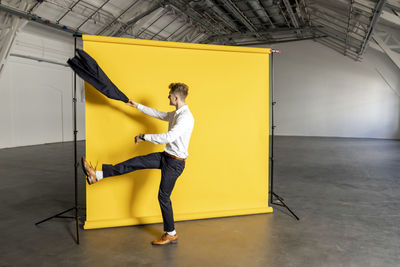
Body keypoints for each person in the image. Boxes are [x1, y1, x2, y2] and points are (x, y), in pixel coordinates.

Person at [81, 82, 195, 245]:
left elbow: (168, 137)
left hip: (175, 164)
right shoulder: (177, 113)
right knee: (135, 162)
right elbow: (159, 114)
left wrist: (144, 136)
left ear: (176, 97)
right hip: (166, 157)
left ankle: (171, 233)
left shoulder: (185, 117)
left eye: (169, 95)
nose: (167, 96)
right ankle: (96, 175)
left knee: (163, 196)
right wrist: (137, 106)